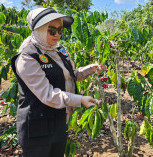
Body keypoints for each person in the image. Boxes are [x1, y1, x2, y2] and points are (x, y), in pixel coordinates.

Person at [11, 8, 106, 157]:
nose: (58, 35)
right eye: (52, 30)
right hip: (37, 129)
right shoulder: (27, 57)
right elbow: (48, 95)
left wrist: (90, 69)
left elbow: (71, 75)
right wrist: (80, 100)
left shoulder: (60, 50)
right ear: (39, 30)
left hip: (59, 122)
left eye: (60, 29)